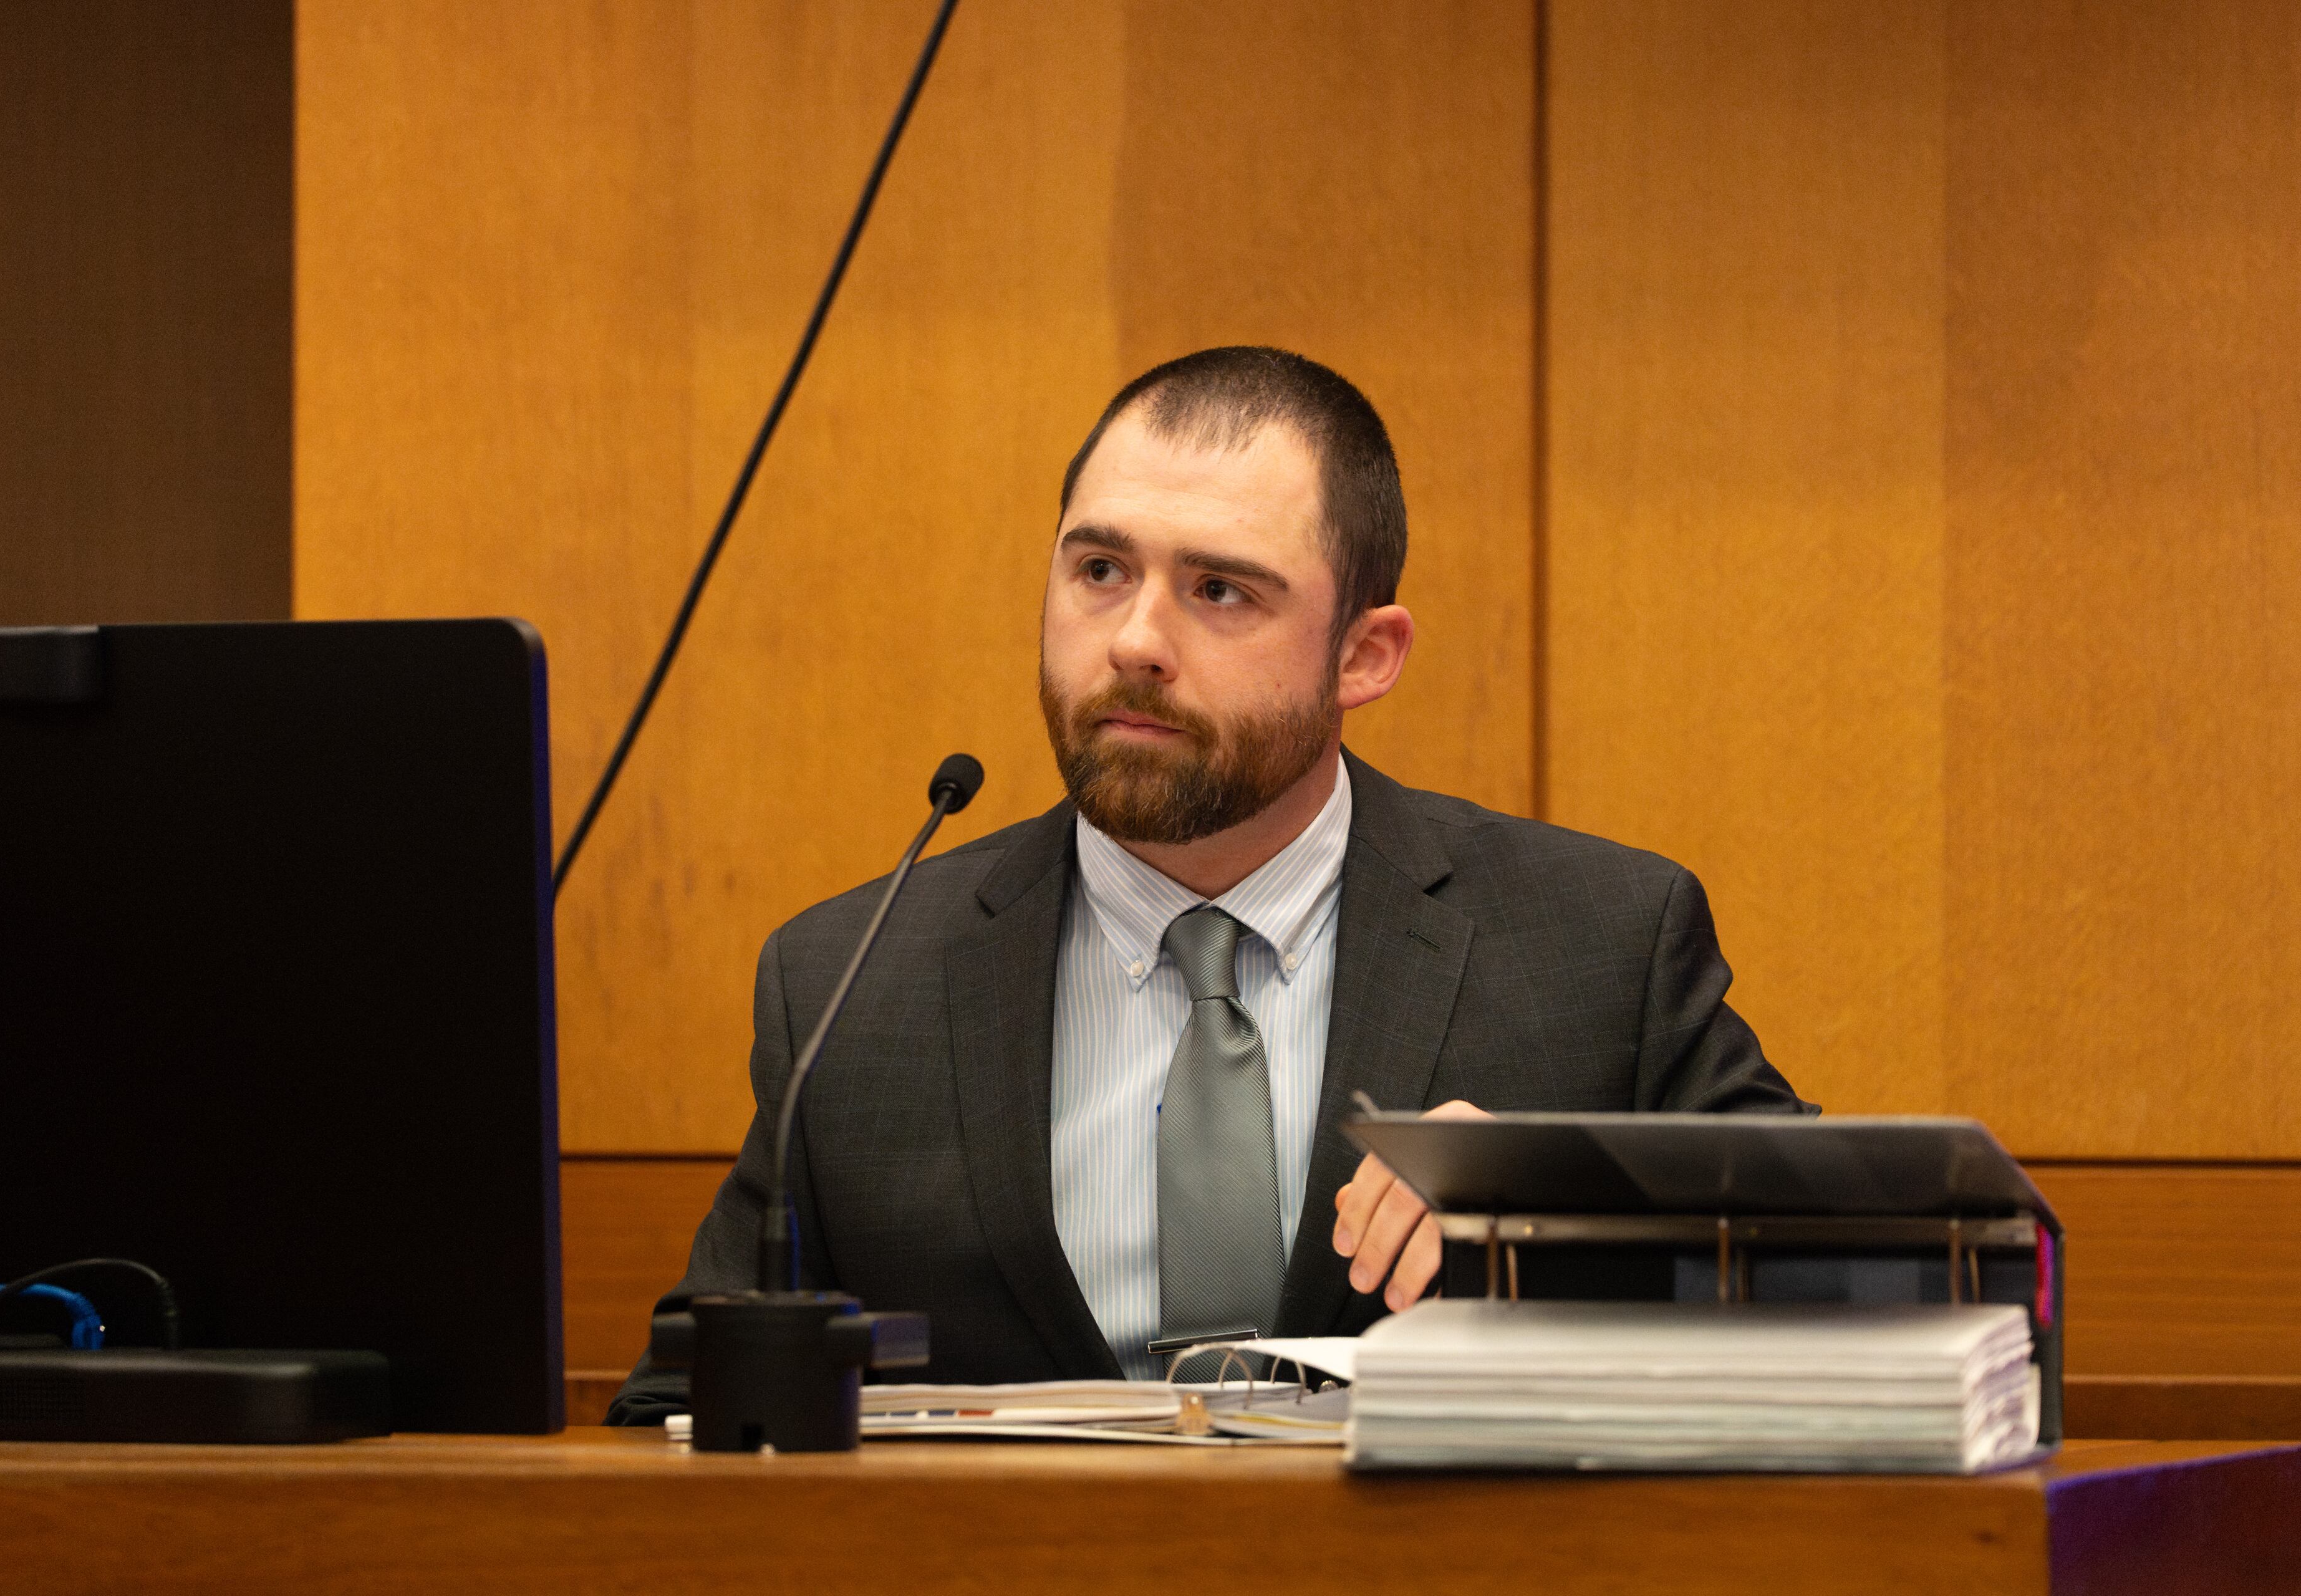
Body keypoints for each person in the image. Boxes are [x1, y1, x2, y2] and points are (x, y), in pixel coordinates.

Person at [609, 347, 1808, 1420]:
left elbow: (1884, 1286)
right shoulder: (850, 987)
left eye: (1219, 590)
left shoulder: (1597, 946)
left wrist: (1581, 1226)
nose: (1135, 640)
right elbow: (677, 1401)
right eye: (1099, 571)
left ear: (1364, 655)